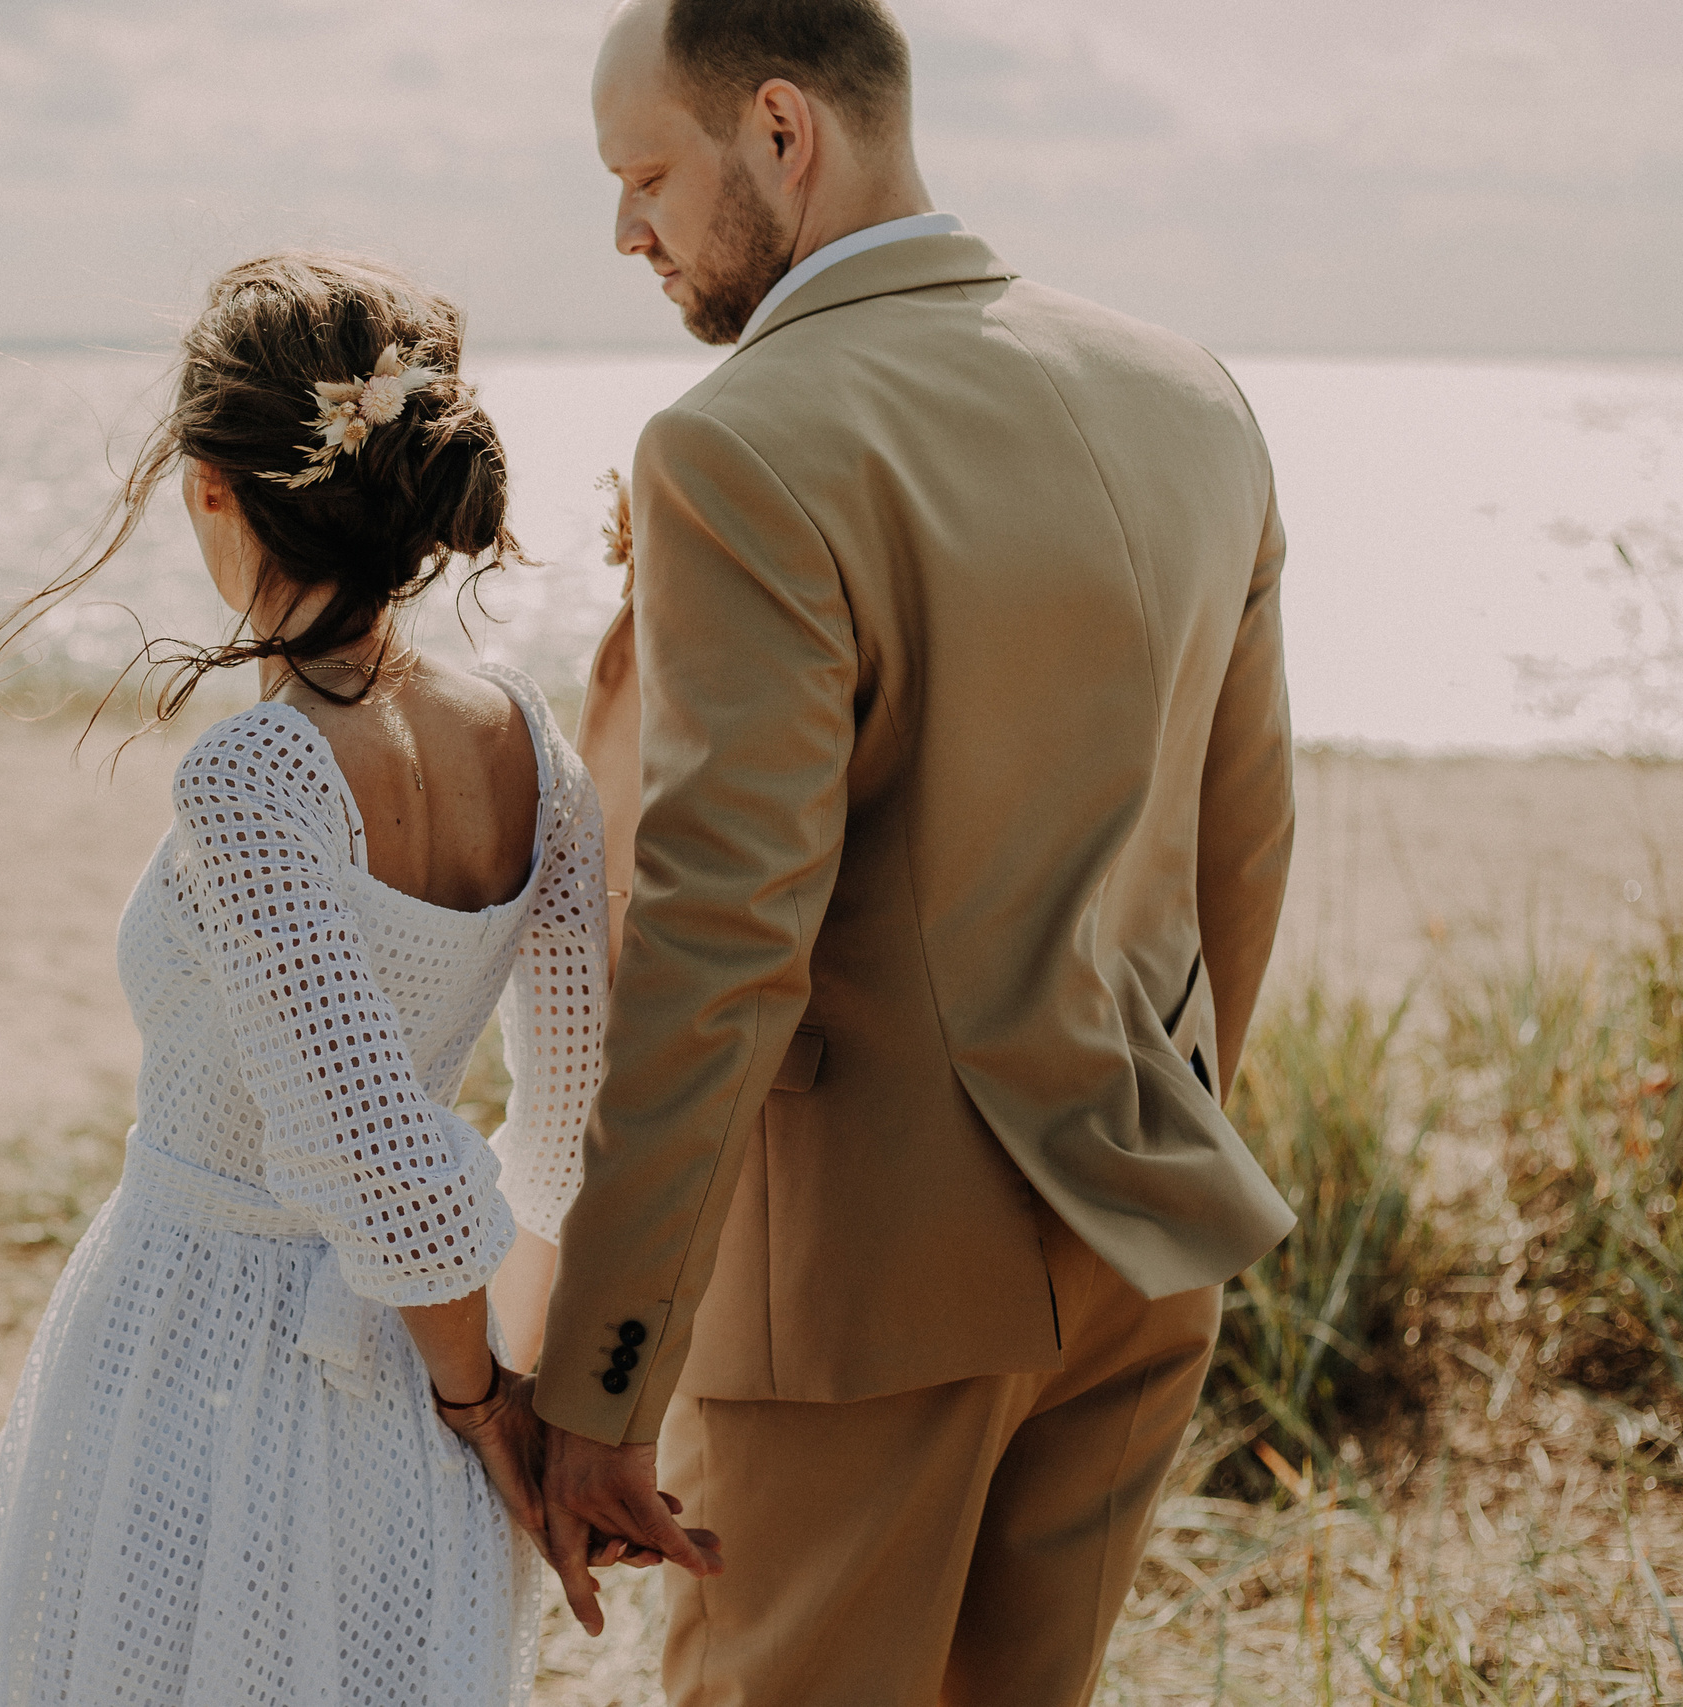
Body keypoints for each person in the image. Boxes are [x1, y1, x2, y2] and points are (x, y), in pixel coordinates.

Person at [534, 2, 1301, 1701]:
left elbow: (719, 940)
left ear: (783, 132)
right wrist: (1159, 1133)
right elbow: (1243, 844)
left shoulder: (740, 443)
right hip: (1138, 1239)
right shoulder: (1192, 396)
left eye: (646, 173)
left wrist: (604, 1375)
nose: (624, 230)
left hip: (857, 1309)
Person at [0, 252, 642, 1707]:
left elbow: (364, 1144)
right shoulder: (533, 747)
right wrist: (522, 1377)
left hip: (200, 1338)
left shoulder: (255, 773)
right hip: (435, 1363)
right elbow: (575, 1101)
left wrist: (479, 1400)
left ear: (213, 486)